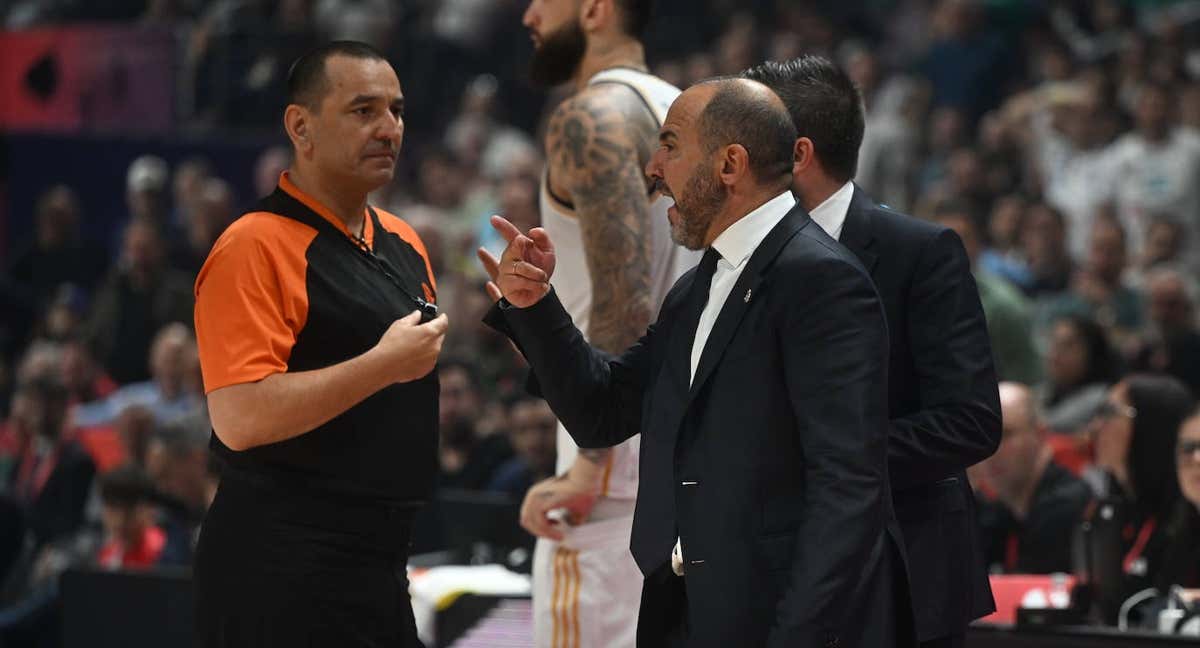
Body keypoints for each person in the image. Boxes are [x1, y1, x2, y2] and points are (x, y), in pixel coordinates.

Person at [483, 77, 906, 647]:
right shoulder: (700, 284)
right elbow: (603, 410)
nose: (653, 168)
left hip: (771, 620)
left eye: (670, 145)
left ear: (730, 164)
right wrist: (534, 307)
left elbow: (847, 489)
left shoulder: (822, 279)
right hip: (686, 610)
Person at [192, 41, 448, 647]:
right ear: (300, 127)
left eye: (397, 110)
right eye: (364, 111)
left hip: (380, 563)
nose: (389, 129)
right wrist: (381, 366)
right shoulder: (252, 245)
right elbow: (239, 415)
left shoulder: (404, 239)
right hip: (281, 567)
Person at [744, 56, 999, 648]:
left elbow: (971, 422)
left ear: (797, 155)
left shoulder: (921, 252)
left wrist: (826, 461)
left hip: (904, 568)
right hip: (773, 573)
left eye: (745, 141)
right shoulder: (738, 259)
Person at [509, 1, 699, 646]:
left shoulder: (591, 116)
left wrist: (591, 466)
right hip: (690, 465)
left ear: (594, 8)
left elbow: (625, 299)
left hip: (617, 485)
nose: (530, 13)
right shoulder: (686, 109)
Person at [1080, 374, 1194, 624]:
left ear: (1151, 424)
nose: (1094, 427)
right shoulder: (1113, 510)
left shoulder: (1189, 517)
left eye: (1108, 412)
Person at [973, 383, 1091, 574]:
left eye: (1005, 435)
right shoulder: (998, 511)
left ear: (1040, 435)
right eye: (981, 436)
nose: (990, 450)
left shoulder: (1068, 507)